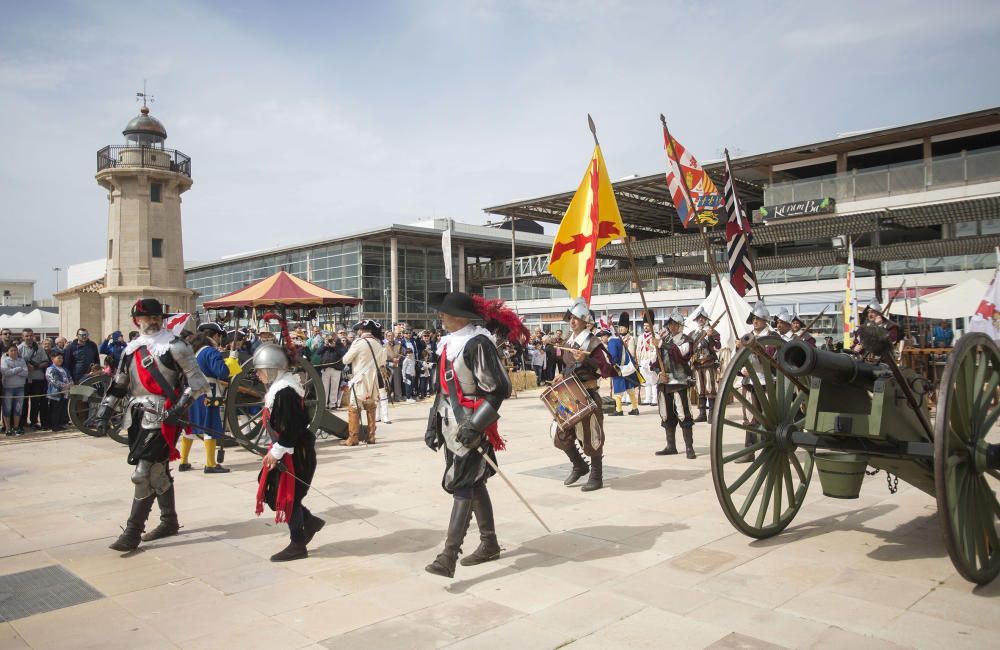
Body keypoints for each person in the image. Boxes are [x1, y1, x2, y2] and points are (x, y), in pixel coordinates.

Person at [91, 299, 210, 552]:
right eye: (147, 318)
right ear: (138, 321)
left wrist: (178, 410)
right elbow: (119, 384)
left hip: (164, 414)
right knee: (158, 470)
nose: (153, 321)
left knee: (142, 474)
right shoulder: (131, 349)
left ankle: (133, 531)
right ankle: (169, 520)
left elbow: (197, 382)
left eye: (157, 316)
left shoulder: (176, 346)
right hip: (135, 415)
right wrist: (103, 413)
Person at [423, 291, 518, 578]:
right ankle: (489, 543)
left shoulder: (478, 344)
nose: (441, 316)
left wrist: (475, 426)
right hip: (451, 424)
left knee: (463, 484)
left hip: (472, 424)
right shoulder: (450, 343)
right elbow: (443, 388)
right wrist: (432, 423)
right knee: (473, 484)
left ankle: (449, 554)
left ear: (461, 317)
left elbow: (499, 389)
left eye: (445, 312)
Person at [253, 343, 324, 561]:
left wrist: (276, 452)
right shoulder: (281, 389)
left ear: (273, 369)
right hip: (289, 450)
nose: (257, 374)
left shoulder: (284, 392)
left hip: (294, 453)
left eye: (260, 370)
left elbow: (290, 427)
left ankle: (298, 543)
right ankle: (310, 522)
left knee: (287, 497)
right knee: (278, 494)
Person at [551, 298, 616, 492]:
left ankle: (597, 477)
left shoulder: (593, 343)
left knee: (591, 436)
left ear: (585, 321)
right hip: (569, 395)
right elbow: (570, 367)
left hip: (587, 394)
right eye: (571, 317)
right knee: (559, 434)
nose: (572, 321)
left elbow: (609, 368)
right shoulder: (569, 341)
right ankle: (579, 465)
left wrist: (587, 361)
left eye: (577, 318)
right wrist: (560, 376)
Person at [180, 322, 232, 474]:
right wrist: (231, 363)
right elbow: (222, 372)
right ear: (214, 336)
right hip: (208, 393)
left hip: (192, 394)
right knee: (210, 426)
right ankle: (210, 464)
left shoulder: (192, 352)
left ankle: (184, 461)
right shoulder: (210, 351)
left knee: (190, 428)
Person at [735, 301, 774, 464]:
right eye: (753, 318)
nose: (755, 321)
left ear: (765, 320)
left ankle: (769, 450)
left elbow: (770, 359)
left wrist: (752, 348)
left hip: (768, 382)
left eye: (758, 318)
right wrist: (741, 360)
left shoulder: (771, 337)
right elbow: (739, 361)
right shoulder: (747, 335)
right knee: (751, 417)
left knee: (767, 418)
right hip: (751, 381)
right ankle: (749, 451)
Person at [656, 311, 697, 458]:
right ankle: (670, 446)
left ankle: (689, 448)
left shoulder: (687, 341)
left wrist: (662, 344)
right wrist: (659, 374)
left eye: (675, 324)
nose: (672, 326)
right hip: (665, 382)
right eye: (670, 323)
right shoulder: (664, 339)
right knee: (666, 414)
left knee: (683, 413)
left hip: (679, 381)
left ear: (680, 325)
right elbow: (657, 361)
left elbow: (680, 355)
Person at [341, 319, 386, 446]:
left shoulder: (358, 343)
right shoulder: (378, 344)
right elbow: (382, 363)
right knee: (371, 407)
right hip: (373, 381)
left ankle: (353, 438)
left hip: (360, 380)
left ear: (361, 330)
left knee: (354, 408)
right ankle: (371, 436)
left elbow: (345, 360)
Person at [688, 307, 721, 423]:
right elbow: (689, 349)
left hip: (709, 362)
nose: (700, 320)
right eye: (699, 318)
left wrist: (710, 336)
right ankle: (702, 413)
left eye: (702, 318)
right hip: (697, 364)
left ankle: (712, 414)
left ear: (706, 319)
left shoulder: (713, 332)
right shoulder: (692, 334)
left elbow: (718, 347)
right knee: (700, 388)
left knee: (710, 388)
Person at [608, 313, 641, 416]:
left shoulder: (630, 339)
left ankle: (620, 410)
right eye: (620, 327)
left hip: (626, 365)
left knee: (624, 387)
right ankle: (634, 408)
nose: (621, 329)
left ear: (627, 329)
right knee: (628, 387)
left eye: (623, 328)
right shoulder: (618, 339)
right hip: (624, 366)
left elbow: (631, 352)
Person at [19, 328, 51, 431]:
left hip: (38, 379)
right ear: (22, 337)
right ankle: (22, 423)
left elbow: (46, 362)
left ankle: (33, 422)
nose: (29, 338)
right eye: (26, 336)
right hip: (24, 379)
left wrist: (36, 367)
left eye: (30, 335)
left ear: (33, 336)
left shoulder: (40, 348)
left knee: (35, 402)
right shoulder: (19, 348)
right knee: (23, 402)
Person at [2, 345, 29, 435]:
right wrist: (18, 369)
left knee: (18, 409)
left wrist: (12, 371)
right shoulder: (4, 360)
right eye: (11, 350)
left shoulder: (21, 360)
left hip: (20, 387)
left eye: (15, 350)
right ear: (8, 352)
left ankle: (16, 427)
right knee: (7, 408)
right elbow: (5, 372)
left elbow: (26, 373)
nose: (14, 352)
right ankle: (8, 428)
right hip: (8, 388)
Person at [317, 333, 347, 410]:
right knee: (324, 387)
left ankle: (332, 404)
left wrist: (335, 347)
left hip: (336, 368)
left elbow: (343, 353)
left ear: (336, 338)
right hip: (325, 368)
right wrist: (325, 345)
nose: (332, 340)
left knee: (334, 387)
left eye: (333, 338)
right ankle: (324, 404)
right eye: (330, 338)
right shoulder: (325, 344)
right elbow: (318, 352)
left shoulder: (340, 345)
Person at [45, 351, 72, 432]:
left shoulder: (64, 369)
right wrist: (64, 385)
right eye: (59, 358)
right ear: (53, 359)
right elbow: (53, 380)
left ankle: (60, 424)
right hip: (55, 393)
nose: (61, 360)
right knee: (55, 410)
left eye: (62, 358)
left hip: (65, 393)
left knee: (62, 409)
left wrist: (71, 384)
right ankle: (54, 425)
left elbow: (69, 378)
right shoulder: (50, 369)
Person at [636, 312, 659, 406]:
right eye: (644, 326)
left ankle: (655, 399)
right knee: (646, 381)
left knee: (653, 381)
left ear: (652, 326)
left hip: (650, 361)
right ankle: (648, 398)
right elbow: (638, 349)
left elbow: (655, 351)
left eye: (647, 326)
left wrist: (652, 361)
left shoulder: (656, 336)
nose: (645, 327)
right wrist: (638, 360)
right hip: (642, 361)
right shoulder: (640, 337)